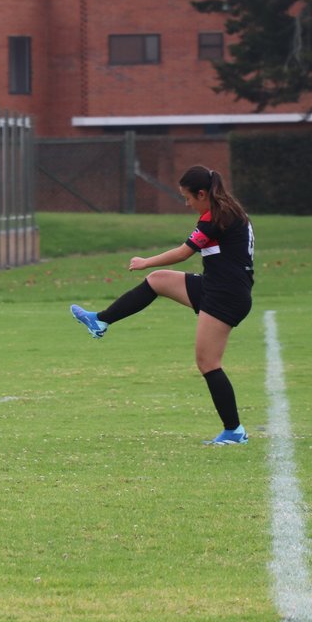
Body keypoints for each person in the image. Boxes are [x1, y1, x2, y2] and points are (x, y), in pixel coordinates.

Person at [70, 165, 255, 445]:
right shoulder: (229, 211)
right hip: (216, 286)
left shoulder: (215, 217)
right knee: (158, 281)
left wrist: (145, 260)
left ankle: (234, 431)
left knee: (208, 363)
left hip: (225, 295)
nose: (187, 203)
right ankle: (101, 320)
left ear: (202, 194)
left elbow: (183, 252)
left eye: (188, 197)